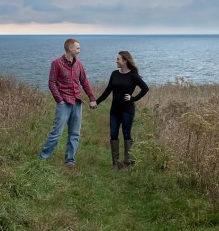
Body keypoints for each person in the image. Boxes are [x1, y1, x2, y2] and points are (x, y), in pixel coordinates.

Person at [38, 38, 98, 167]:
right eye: (77, 48)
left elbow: (85, 82)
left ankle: (70, 160)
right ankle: (43, 157)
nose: (79, 50)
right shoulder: (57, 63)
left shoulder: (79, 64)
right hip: (64, 103)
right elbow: (52, 83)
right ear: (70, 48)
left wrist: (92, 99)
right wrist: (59, 100)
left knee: (75, 133)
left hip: (77, 102)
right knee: (57, 132)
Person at [95, 50, 149, 170]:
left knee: (126, 134)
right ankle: (115, 163)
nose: (116, 60)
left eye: (118, 59)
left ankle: (127, 163)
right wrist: (96, 102)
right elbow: (108, 90)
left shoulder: (133, 75)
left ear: (125, 61)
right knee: (113, 134)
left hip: (127, 110)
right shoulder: (114, 73)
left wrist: (133, 98)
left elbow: (145, 88)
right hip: (114, 110)